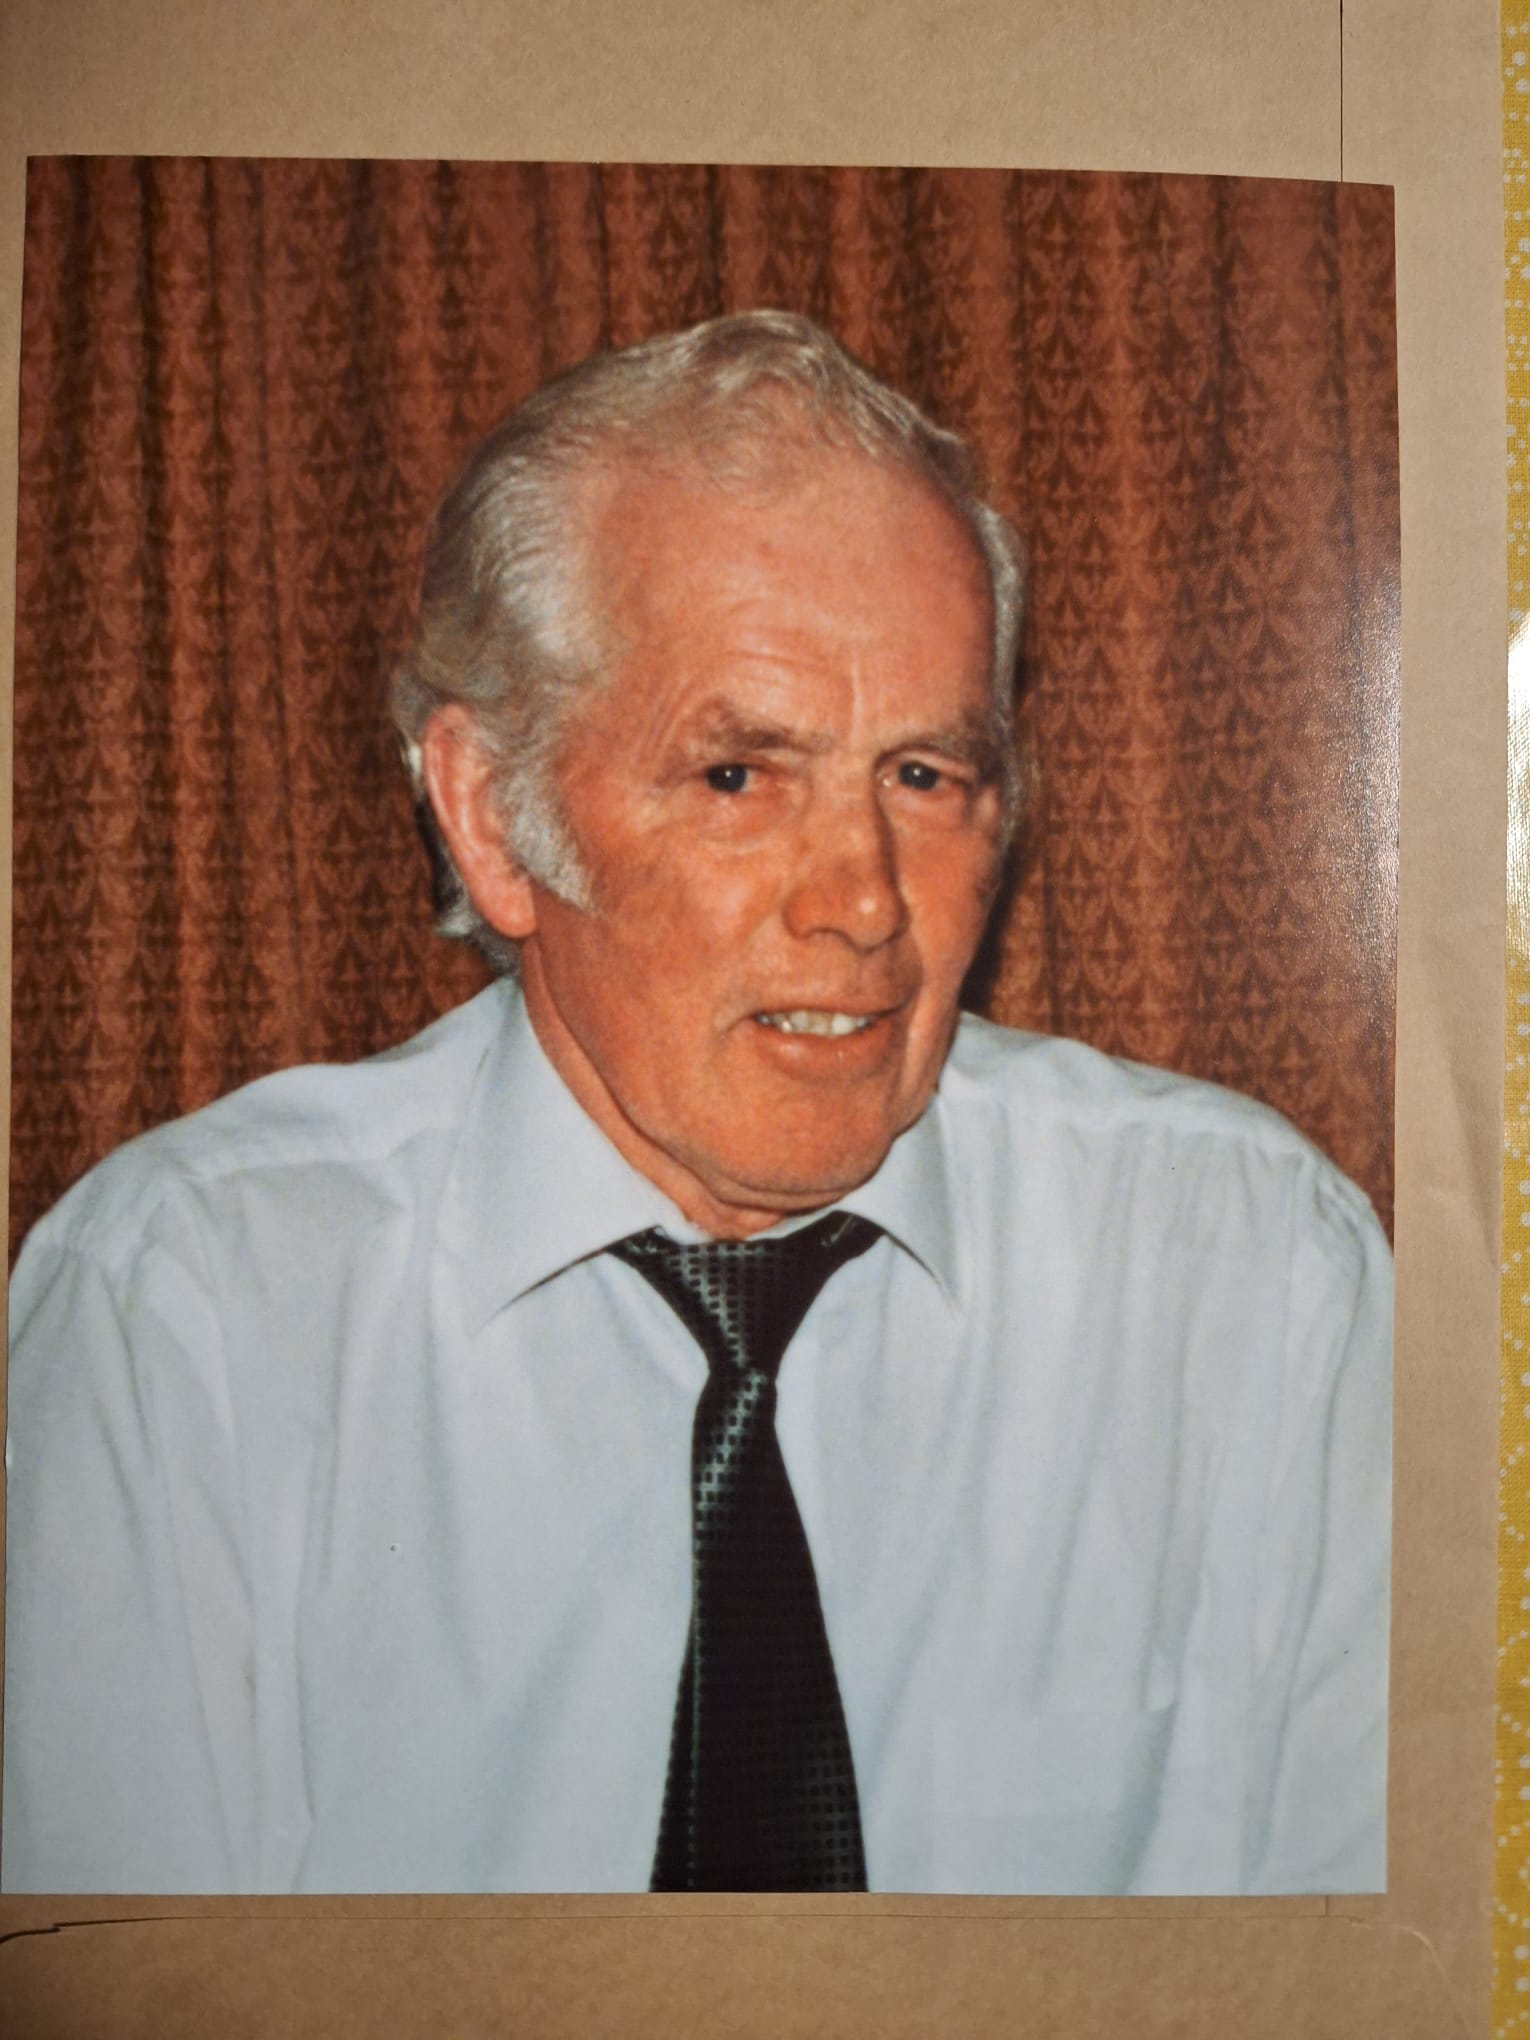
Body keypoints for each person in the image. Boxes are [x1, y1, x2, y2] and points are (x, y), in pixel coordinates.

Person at [2, 311, 1391, 1898]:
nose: (862, 901)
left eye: (923, 777)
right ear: (490, 819)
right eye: (739, 777)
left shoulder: (1248, 1275)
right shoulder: (185, 1312)